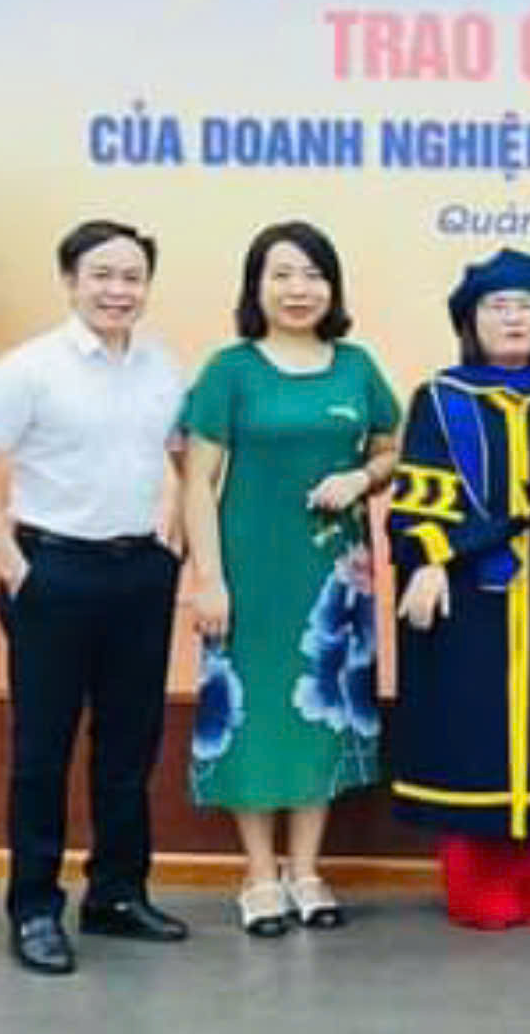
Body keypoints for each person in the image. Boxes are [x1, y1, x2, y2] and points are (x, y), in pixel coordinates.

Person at [0, 219, 189, 977]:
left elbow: (188, 460)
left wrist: (174, 545)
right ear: (70, 281)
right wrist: (16, 568)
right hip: (53, 572)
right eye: (102, 275)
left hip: (139, 573)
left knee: (129, 746)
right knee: (42, 751)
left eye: (132, 277)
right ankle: (34, 907)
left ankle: (116, 892)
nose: (118, 290)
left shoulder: (161, 366)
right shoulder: (30, 368)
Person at [180, 221, 401, 936]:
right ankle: (258, 873)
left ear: (332, 287)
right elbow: (197, 481)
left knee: (320, 716)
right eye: (281, 274)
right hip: (249, 570)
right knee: (253, 715)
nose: (298, 288)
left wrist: (361, 477)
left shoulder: (356, 366)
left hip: (335, 579)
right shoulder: (230, 370)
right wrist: (208, 577)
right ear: (256, 287)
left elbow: (391, 448)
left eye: (312, 274)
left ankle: (307, 869)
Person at [387, 246, 530, 930]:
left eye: (526, 305)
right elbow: (418, 502)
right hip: (469, 597)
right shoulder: (440, 399)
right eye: (497, 306)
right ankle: (478, 889)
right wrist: (428, 560)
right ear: (470, 320)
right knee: (475, 733)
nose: (513, 317)